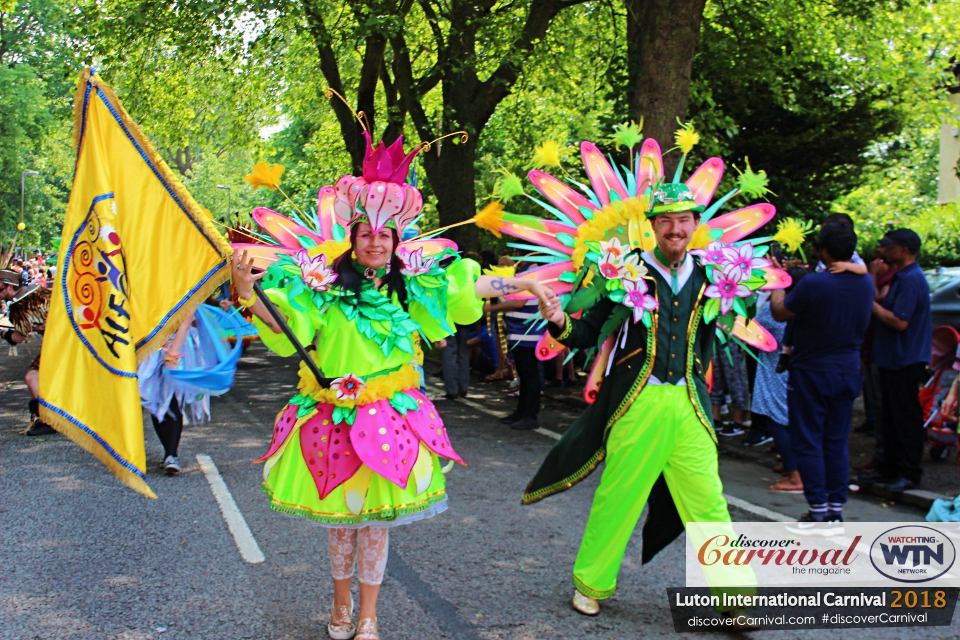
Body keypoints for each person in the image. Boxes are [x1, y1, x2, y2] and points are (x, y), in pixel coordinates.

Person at [231, 133, 555, 640]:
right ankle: (340, 607)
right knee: (342, 523)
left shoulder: (419, 283)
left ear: (397, 240)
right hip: (332, 414)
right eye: (366, 234)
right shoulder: (320, 283)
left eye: (386, 235)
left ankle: (368, 617)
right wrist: (249, 294)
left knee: (376, 524)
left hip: (391, 415)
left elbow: (473, 289)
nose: (376, 242)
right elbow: (283, 319)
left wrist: (529, 284)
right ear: (353, 236)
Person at [534, 183, 755, 620]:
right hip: (637, 403)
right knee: (619, 496)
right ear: (652, 226)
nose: (676, 229)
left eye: (684, 220)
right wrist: (559, 321)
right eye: (667, 221)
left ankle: (737, 599)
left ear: (695, 225)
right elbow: (587, 333)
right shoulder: (623, 271)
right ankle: (591, 583)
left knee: (709, 502)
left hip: (689, 405)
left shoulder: (716, 274)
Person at [769, 223, 874, 530]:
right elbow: (862, 270)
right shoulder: (865, 282)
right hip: (848, 368)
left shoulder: (815, 284)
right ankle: (834, 508)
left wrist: (776, 280)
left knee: (808, 440)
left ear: (823, 251)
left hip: (812, 370)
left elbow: (780, 311)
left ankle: (817, 509)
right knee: (836, 440)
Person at [859, 228, 932, 493]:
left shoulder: (912, 279)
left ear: (903, 249)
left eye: (888, 246)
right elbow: (884, 301)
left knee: (905, 417)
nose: (883, 250)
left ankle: (909, 472)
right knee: (888, 416)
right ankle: (887, 468)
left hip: (905, 358)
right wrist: (874, 281)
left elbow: (900, 321)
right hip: (890, 357)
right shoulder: (901, 277)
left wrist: (871, 304)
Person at [0, 269, 54, 436]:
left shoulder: (19, 308)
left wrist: (3, 333)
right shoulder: (37, 289)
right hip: (71, 336)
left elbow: (18, 338)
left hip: (60, 341)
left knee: (31, 377)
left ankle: (47, 420)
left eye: (0, 289)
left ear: (10, 287)